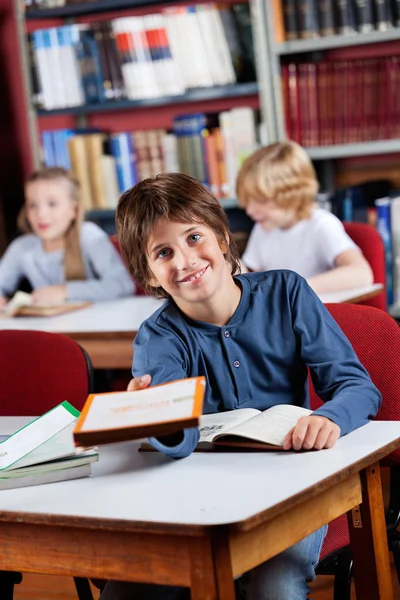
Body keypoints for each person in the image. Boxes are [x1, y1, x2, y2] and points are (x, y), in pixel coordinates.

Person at [99, 172, 381, 600]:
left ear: (223, 239)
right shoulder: (157, 337)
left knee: (275, 585)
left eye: (194, 237)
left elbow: (358, 388)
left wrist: (330, 418)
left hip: (293, 484)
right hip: (199, 495)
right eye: (163, 252)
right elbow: (180, 435)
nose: (185, 260)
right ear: (151, 276)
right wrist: (157, 414)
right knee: (130, 589)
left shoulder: (287, 291)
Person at [236, 141, 373, 294]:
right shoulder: (263, 228)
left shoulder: (321, 224)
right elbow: (252, 274)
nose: (249, 210)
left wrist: (293, 288)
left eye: (261, 200)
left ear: (293, 195)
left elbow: (361, 273)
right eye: (247, 201)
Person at [0, 166, 135, 305]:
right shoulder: (22, 247)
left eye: (52, 204)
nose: (41, 214)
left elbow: (122, 285)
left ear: (73, 210)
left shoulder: (89, 236)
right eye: (33, 205)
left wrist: (64, 291)